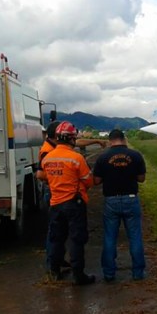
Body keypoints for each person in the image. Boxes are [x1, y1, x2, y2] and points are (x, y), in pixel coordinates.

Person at [37, 121, 96, 285]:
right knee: (77, 239)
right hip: (74, 203)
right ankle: (78, 275)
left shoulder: (47, 157)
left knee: (56, 238)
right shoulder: (76, 158)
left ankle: (54, 271)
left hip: (55, 203)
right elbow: (89, 181)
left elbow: (44, 177)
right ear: (71, 139)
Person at [93, 129, 146, 281]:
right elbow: (141, 178)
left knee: (110, 237)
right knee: (135, 237)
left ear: (110, 140)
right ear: (124, 139)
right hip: (130, 198)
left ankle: (109, 274)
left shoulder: (103, 157)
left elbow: (96, 181)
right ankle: (138, 273)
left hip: (111, 200)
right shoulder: (135, 155)